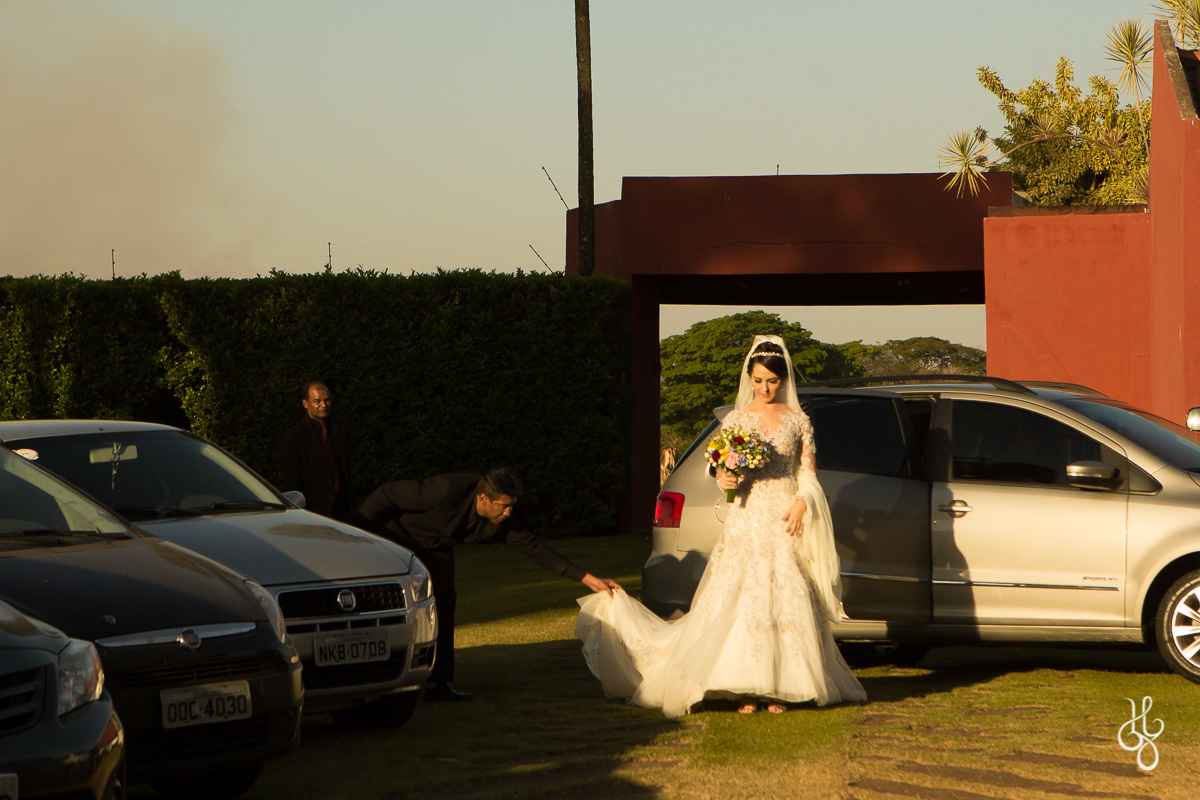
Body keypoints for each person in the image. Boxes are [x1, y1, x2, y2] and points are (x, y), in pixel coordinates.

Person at [576, 335, 866, 716]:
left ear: (784, 381)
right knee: (741, 599)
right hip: (746, 515)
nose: (765, 388)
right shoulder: (737, 418)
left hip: (782, 516)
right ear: (750, 377)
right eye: (759, 380)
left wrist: (802, 501)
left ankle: (781, 687)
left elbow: (808, 473)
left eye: (772, 381)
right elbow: (721, 466)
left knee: (783, 598)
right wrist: (724, 479)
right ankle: (743, 688)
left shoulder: (799, 421)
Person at [353, 468, 622, 702]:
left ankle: (439, 682)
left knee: (446, 598)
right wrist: (353, 534)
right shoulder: (444, 490)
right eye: (503, 506)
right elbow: (387, 494)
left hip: (437, 547)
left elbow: (534, 547)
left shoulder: (500, 519)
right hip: (397, 537)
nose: (508, 513)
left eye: (511, 506)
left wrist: (588, 578)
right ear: (483, 498)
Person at [280, 380, 354, 521]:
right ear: (305, 403)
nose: (323, 405)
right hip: (314, 512)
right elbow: (292, 482)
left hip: (343, 510)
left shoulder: (341, 430)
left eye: (326, 400)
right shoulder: (294, 437)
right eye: (317, 401)